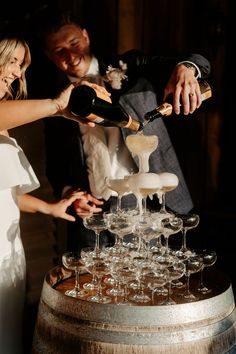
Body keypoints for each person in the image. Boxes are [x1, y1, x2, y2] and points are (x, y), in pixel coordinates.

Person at [28, 8, 211, 253]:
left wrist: (186, 69)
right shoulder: (55, 102)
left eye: (74, 43)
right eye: (60, 51)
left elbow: (198, 60)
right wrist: (71, 193)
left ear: (86, 36)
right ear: (49, 56)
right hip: (94, 215)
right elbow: (56, 165)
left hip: (149, 205)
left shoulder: (130, 67)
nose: (71, 55)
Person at [0, 28, 106, 354]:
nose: (17, 73)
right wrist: (58, 105)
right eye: (13, 61)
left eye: (21, 66)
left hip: (8, 252)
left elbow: (6, 194)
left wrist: (50, 207)